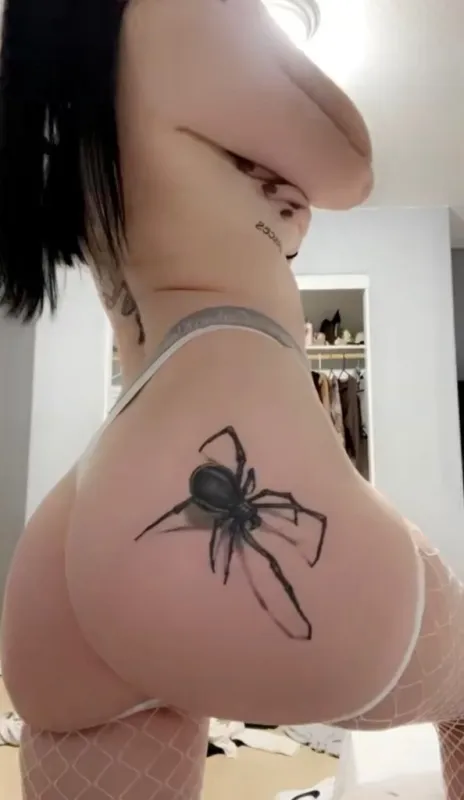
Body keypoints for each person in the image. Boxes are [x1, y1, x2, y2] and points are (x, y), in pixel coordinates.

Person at [0, 1, 462, 798]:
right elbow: (348, 167)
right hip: (207, 422)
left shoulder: (61, 96)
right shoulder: (173, 13)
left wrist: (268, 221)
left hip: (71, 537)